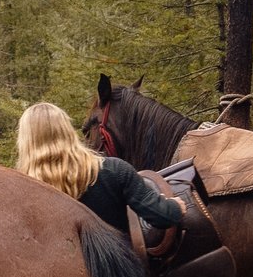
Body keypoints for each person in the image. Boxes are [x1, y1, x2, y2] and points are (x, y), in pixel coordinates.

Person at [13, 98, 188, 237]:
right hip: (119, 270)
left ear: (25, 142)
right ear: (67, 131)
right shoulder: (114, 170)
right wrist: (174, 207)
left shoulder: (20, 193)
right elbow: (162, 217)